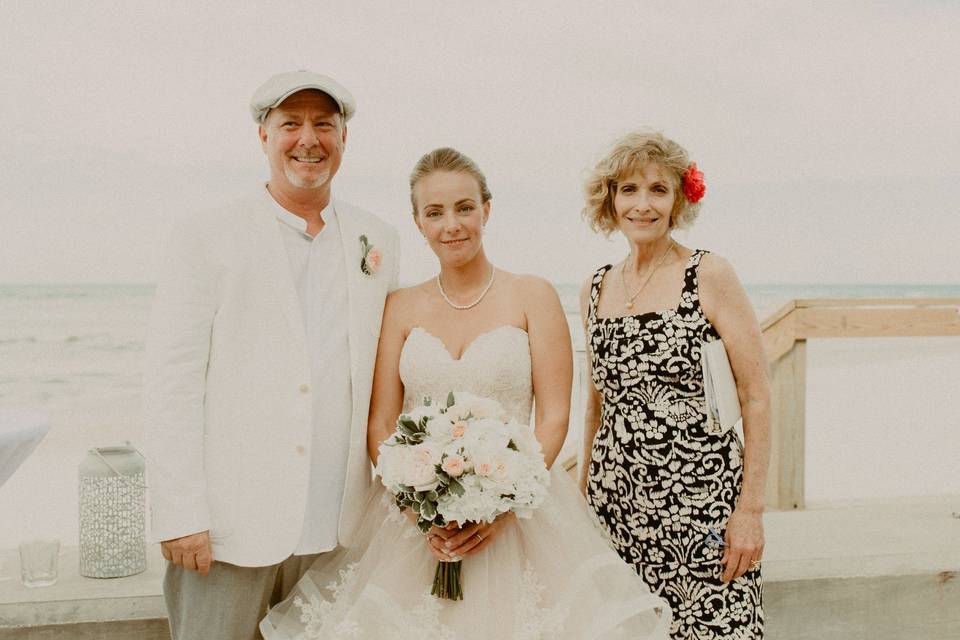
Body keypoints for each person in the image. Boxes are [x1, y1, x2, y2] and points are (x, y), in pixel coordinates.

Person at [259, 147, 671, 639]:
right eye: (434, 212)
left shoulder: (532, 295)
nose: (451, 224)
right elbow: (381, 423)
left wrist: (504, 505)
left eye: (464, 208)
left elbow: (555, 417)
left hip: (520, 516)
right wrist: (420, 507)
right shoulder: (400, 307)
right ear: (417, 222)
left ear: (486, 210)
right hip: (412, 523)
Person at [143, 70, 399, 640]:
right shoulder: (205, 234)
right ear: (264, 136)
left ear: (343, 138)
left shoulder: (377, 239)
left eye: (324, 125)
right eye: (291, 124)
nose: (308, 139)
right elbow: (172, 384)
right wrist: (181, 514)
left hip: (340, 530)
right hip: (230, 532)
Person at [577, 130, 769, 639]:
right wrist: (581, 503)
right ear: (610, 199)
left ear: (679, 199)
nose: (642, 204)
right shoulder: (595, 288)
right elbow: (595, 405)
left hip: (701, 509)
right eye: (629, 190)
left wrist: (749, 512)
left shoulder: (709, 274)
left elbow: (757, 396)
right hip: (615, 507)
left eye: (658, 190)